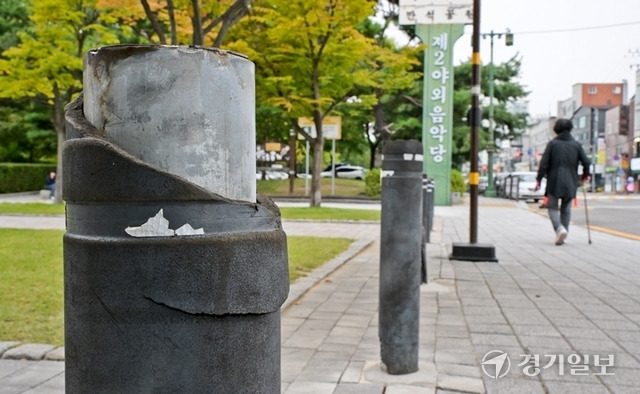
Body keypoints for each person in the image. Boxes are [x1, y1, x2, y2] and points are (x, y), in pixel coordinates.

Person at [534, 119, 590, 245]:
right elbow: (586, 161)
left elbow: (544, 164)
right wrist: (585, 174)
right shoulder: (576, 145)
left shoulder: (553, 144)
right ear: (570, 128)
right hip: (571, 181)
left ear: (557, 129)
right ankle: (563, 233)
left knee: (552, 207)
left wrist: (539, 179)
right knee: (566, 208)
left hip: (554, 180)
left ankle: (559, 229)